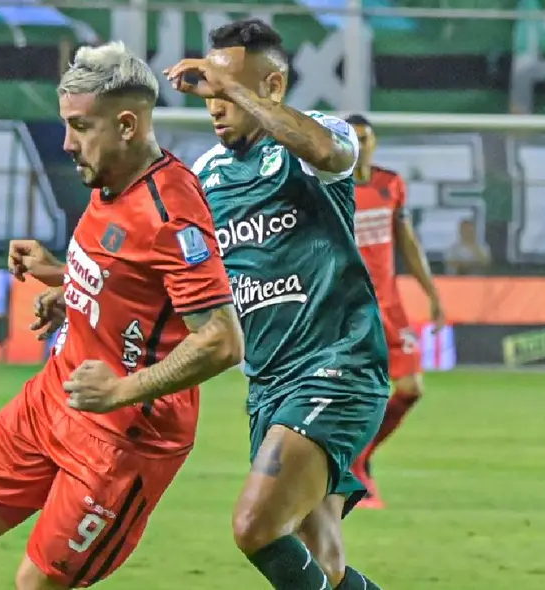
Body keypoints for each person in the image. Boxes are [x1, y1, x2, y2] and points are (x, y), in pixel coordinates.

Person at [0, 41, 244, 590]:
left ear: (126, 125)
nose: (66, 142)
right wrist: (66, 280)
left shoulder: (171, 212)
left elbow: (221, 340)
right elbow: (133, 279)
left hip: (125, 434)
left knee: (38, 583)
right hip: (57, 394)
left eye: (80, 126)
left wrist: (121, 391)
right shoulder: (111, 177)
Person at [166, 19, 388, 590]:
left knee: (255, 526)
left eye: (226, 90)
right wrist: (66, 283)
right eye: (209, 93)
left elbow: (325, 151)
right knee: (323, 563)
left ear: (272, 85)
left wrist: (235, 89)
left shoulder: (319, 137)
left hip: (337, 368)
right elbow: (175, 271)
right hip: (268, 385)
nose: (215, 105)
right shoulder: (206, 175)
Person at [346, 114, 447, 509]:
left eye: (365, 138)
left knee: (411, 388)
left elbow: (407, 241)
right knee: (360, 394)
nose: (360, 146)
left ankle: (361, 456)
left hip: (390, 306)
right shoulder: (331, 188)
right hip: (349, 309)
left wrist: (431, 292)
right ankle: (350, 469)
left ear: (375, 143)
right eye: (352, 139)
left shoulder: (390, 184)